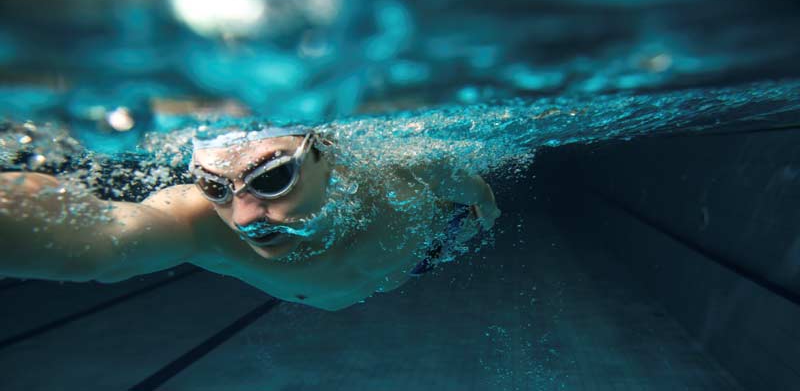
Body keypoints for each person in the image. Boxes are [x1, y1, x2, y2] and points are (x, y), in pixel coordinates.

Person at [0, 125, 500, 311]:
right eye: (214, 186)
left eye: (271, 177)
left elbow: (472, 189)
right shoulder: (198, 223)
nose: (241, 216)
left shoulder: (408, 168)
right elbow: (104, 244)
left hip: (430, 247)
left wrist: (487, 210)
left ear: (326, 150)